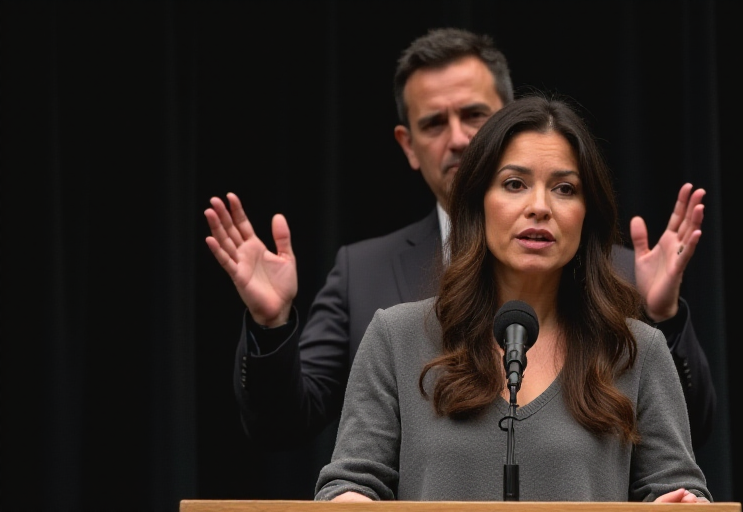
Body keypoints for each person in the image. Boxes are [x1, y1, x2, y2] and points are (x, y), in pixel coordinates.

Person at [203, 27, 715, 453]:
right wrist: (270, 326)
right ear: (408, 145)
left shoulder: (620, 272)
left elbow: (685, 439)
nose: (459, 139)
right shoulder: (364, 273)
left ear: (510, 119)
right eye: (434, 124)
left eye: (474, 115)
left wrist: (664, 318)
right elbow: (281, 426)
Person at [314, 95, 711, 502]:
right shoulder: (396, 338)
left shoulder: (636, 350)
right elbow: (349, 484)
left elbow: (679, 490)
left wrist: (682, 504)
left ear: (587, 213)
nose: (539, 207)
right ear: (478, 203)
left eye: (564, 188)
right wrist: (349, 500)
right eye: (514, 184)